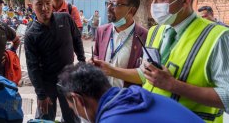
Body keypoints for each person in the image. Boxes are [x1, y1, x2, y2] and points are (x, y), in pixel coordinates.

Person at [140, 0, 229, 122]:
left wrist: (173, 85)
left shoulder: (218, 37)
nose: (153, 6)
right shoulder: (155, 31)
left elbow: (227, 96)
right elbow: (147, 76)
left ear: (185, 0)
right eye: (152, 0)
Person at [57, 63, 204, 123]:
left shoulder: (114, 120)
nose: (77, 114)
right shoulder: (138, 95)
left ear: (77, 99)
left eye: (73, 108)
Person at [25, 0, 85, 122]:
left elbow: (77, 39)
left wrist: (82, 63)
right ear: (31, 5)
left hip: (68, 80)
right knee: (45, 119)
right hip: (46, 84)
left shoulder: (65, 19)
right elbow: (32, 67)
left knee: (72, 118)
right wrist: (41, 95)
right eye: (39, 4)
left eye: (47, 3)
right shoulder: (31, 35)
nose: (44, 8)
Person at [94, 0, 147, 87]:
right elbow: (96, 54)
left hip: (127, 98)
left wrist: (111, 71)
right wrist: (94, 61)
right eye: (108, 3)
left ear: (131, 10)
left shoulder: (145, 36)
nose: (109, 8)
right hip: (102, 95)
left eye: (114, 4)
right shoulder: (102, 31)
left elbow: (145, 75)